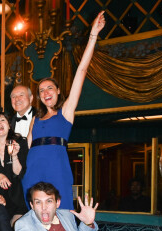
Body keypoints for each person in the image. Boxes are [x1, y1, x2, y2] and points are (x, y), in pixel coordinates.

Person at [22, 12, 106, 210]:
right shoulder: (35, 118)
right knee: (34, 218)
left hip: (56, 168)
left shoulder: (66, 112)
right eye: (41, 90)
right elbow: (27, 148)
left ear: (58, 91)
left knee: (61, 216)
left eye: (50, 88)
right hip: (33, 170)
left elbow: (82, 71)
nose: (46, 92)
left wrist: (93, 35)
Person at [0, 112, 28, 225]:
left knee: (18, 227)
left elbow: (19, 173)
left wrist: (14, 156)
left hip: (19, 199)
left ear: (9, 126)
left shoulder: (20, 143)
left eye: (2, 120)